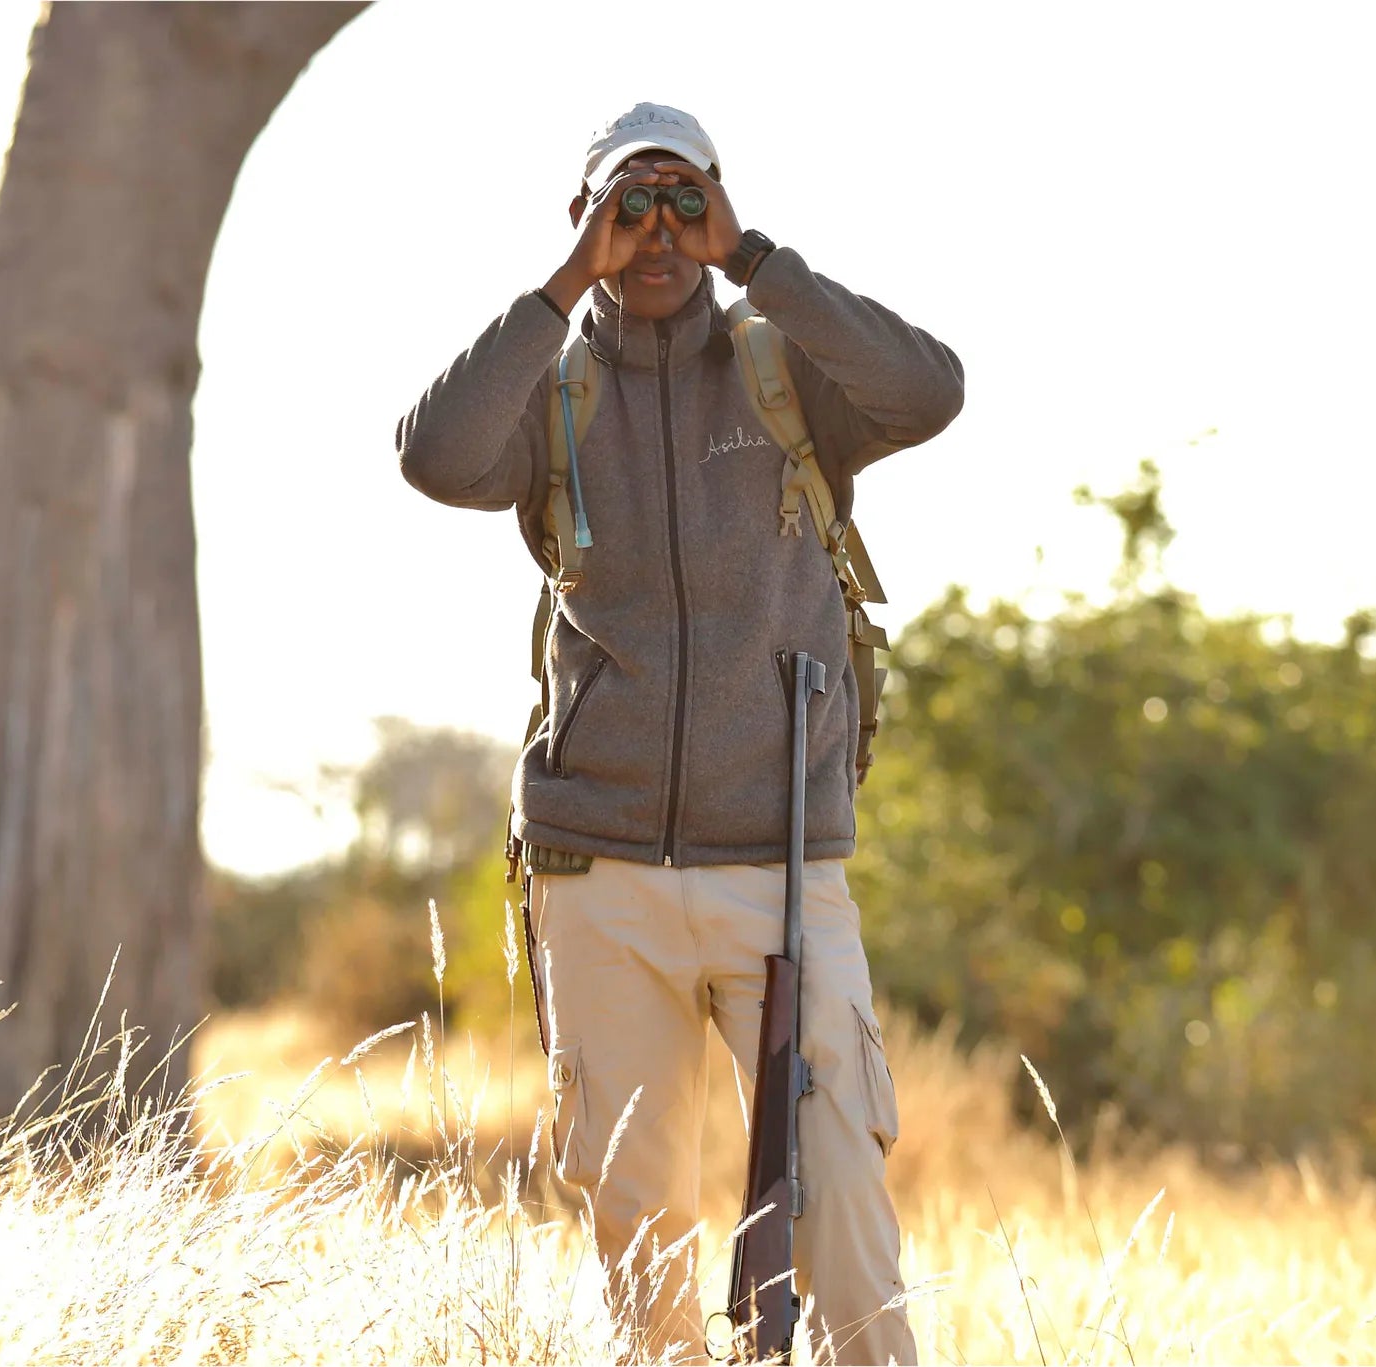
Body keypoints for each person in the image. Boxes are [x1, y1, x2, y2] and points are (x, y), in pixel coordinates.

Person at [395, 103, 964, 1364]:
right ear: (585, 219)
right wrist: (561, 286)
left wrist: (754, 257)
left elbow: (930, 388)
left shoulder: (784, 362)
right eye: (625, 205)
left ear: (716, 201)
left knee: (845, 1227)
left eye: (678, 200)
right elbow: (434, 456)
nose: (654, 231)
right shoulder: (550, 384)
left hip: (783, 868)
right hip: (598, 876)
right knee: (639, 1248)